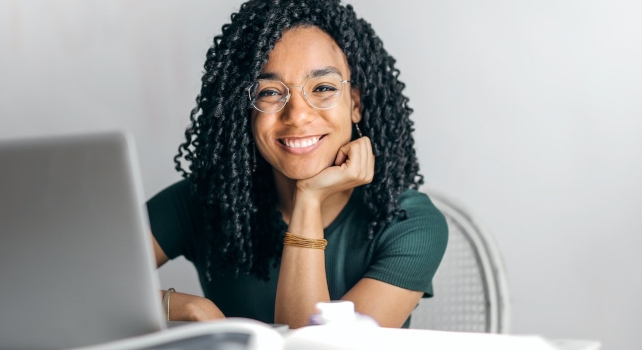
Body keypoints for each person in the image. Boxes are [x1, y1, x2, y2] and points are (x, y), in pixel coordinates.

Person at [146, 0, 448, 329]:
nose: (298, 115)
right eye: (270, 92)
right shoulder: (204, 201)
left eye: (323, 88)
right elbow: (84, 281)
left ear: (355, 105)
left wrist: (308, 199)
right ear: (245, 110)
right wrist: (190, 307)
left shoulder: (410, 223)